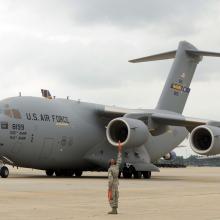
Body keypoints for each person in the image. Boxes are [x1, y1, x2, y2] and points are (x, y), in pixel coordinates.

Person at [107, 141, 122, 214]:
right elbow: (119, 159)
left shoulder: (110, 169)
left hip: (113, 184)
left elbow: (110, 179)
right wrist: (119, 150)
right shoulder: (117, 166)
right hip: (116, 184)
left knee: (111, 197)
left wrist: (109, 188)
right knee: (116, 196)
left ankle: (113, 209)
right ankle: (115, 209)